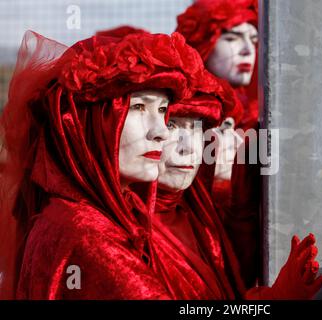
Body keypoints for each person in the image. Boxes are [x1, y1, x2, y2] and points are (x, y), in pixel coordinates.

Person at [0, 29, 229, 299]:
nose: (162, 132)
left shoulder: (90, 215)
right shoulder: (87, 235)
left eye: (163, 111)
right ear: (88, 122)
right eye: (139, 108)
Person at [155, 93, 322, 299]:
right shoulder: (123, 229)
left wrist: (242, 218)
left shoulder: (194, 211)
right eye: (171, 124)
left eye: (197, 126)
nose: (189, 147)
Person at [176, 0, 260, 288]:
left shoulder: (262, 113)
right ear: (204, 43)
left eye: (254, 39)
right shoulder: (170, 109)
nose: (248, 49)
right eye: (232, 38)